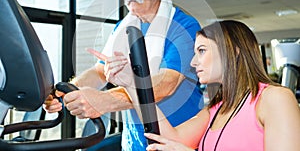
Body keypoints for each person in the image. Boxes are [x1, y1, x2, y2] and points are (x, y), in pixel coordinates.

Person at [44, 0, 204, 150]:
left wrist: (105, 101)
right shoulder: (123, 27)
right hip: (133, 142)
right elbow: (100, 72)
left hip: (175, 142)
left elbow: (165, 85)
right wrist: (66, 91)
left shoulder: (183, 26)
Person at [110, 20, 300, 151]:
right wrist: (131, 86)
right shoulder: (216, 109)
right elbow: (170, 138)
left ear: (233, 52)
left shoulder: (274, 99)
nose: (193, 62)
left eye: (201, 51)